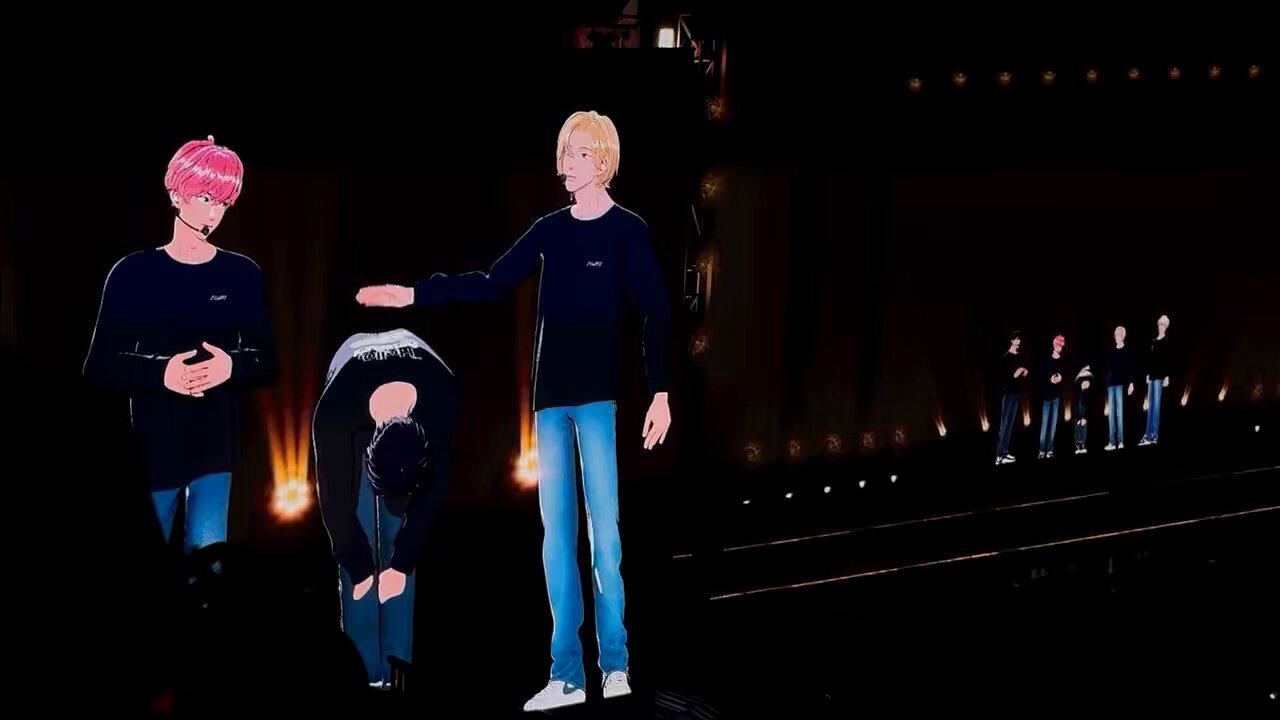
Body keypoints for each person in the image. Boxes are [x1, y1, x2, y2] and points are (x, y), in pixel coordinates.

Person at [355, 110, 672, 711]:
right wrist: (416, 293)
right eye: (564, 153)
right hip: (549, 403)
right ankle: (566, 676)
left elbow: (655, 307)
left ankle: (616, 667)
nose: (566, 164)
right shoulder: (549, 230)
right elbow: (492, 280)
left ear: (603, 161)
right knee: (556, 543)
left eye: (578, 154)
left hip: (597, 401)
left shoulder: (627, 231)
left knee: (605, 540)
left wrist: (660, 391)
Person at [83, 136, 275, 570]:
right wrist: (161, 374)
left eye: (222, 202)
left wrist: (231, 366)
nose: (213, 213)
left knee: (208, 571)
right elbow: (98, 366)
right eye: (205, 197)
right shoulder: (132, 273)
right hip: (152, 453)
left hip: (216, 454)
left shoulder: (241, 274)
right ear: (176, 194)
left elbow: (266, 359)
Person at [312, 329, 460, 688]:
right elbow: (334, 501)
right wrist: (359, 568)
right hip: (352, 379)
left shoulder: (443, 394)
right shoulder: (334, 412)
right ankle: (363, 675)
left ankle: (398, 674)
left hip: (417, 379)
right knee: (358, 557)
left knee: (400, 552)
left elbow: (433, 490)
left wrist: (401, 563)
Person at [995, 331, 1029, 465]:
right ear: (1012, 341)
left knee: (1010, 425)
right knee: (1004, 424)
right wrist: (1017, 373)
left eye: (1019, 339)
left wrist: (1024, 372)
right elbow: (1006, 378)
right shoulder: (1006, 358)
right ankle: (999, 456)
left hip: (1016, 394)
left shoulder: (1019, 356)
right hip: (1008, 394)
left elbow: (1021, 376)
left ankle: (1005, 452)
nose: (1018, 341)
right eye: (1016, 339)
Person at [1140, 315, 1172, 446]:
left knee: (1156, 407)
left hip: (1159, 377)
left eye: (1163, 324)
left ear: (1166, 327)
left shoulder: (1167, 341)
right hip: (1152, 376)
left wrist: (1167, 376)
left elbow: (1167, 360)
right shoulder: (1153, 341)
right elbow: (1150, 359)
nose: (1160, 326)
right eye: (1159, 324)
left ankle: (1154, 435)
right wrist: (1147, 374)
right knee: (1150, 406)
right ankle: (1147, 435)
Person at [1105, 326, 1136, 451]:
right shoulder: (1112, 351)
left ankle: (1121, 440)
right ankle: (1112, 442)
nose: (1116, 336)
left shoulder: (1127, 350)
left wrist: (1131, 383)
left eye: (1118, 334)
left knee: (1119, 413)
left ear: (1123, 336)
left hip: (1120, 384)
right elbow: (1108, 367)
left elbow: (1130, 367)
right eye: (1115, 334)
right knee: (1111, 415)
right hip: (1111, 385)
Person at [1038, 335, 1067, 459]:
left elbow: (1064, 375)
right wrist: (1050, 378)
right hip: (1046, 396)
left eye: (1061, 344)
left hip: (1056, 397)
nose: (1058, 346)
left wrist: (1061, 377)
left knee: (1053, 425)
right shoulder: (1046, 359)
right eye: (1057, 343)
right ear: (1053, 344)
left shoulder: (1063, 361)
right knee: (1044, 424)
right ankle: (1041, 450)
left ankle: (1049, 449)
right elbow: (1041, 375)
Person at [1073, 365, 1094, 454]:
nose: (1085, 384)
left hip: (1084, 413)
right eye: (1084, 383)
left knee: (1083, 424)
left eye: (1087, 383)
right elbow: (1075, 405)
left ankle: (1082, 444)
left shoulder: (1088, 394)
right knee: (1078, 424)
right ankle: (1078, 444)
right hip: (1078, 413)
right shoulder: (1077, 392)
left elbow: (1088, 405)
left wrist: (1084, 417)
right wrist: (1078, 417)